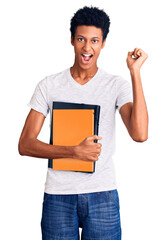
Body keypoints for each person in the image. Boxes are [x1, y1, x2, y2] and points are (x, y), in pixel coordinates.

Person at [18, 5, 148, 240]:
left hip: (102, 195)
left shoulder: (115, 85)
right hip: (58, 195)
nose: (87, 48)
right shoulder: (49, 85)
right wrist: (74, 152)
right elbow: (25, 144)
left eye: (94, 40)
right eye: (81, 39)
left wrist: (135, 72)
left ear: (103, 43)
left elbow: (140, 134)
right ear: (71, 40)